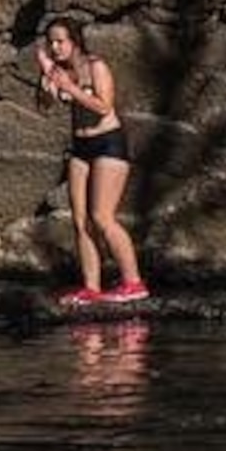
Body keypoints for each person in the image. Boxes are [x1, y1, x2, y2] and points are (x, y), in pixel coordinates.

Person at [38, 17, 146, 308]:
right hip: (80, 146)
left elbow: (104, 106)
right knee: (80, 220)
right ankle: (91, 287)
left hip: (108, 142)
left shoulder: (95, 66)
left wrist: (70, 88)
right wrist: (48, 82)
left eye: (60, 41)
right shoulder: (60, 71)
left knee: (102, 216)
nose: (55, 47)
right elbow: (45, 106)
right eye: (51, 42)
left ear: (74, 41)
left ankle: (134, 283)